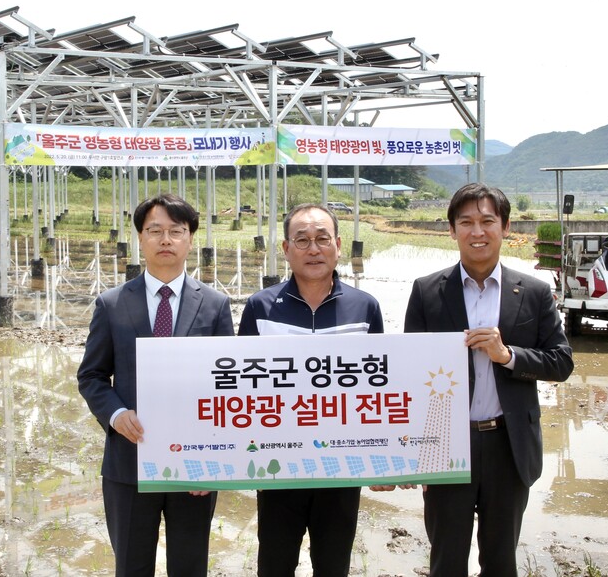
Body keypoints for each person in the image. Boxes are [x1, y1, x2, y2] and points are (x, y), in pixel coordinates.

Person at [404, 183, 574, 577]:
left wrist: (508, 355)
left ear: (506, 227)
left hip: (508, 446)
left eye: (487, 221)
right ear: (452, 230)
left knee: (500, 561)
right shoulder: (427, 291)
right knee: (446, 561)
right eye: (466, 222)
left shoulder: (532, 291)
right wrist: (419, 457)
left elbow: (561, 361)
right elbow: (411, 376)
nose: (477, 232)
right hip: (447, 444)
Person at [77, 193, 234, 577]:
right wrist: (115, 414)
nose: (166, 240)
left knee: (190, 564)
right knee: (131, 566)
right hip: (128, 463)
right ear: (141, 239)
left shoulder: (214, 304)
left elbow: (227, 387)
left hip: (193, 466)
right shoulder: (112, 304)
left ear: (190, 239)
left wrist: (212, 462)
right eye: (155, 231)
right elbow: (92, 375)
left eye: (176, 231)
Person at [237, 202, 384, 577]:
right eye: (302, 240)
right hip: (277, 465)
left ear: (338, 244)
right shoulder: (260, 307)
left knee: (334, 565)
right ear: (286, 250)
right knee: (274, 563)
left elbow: (380, 387)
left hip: (341, 468)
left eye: (322, 239)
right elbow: (240, 387)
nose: (313, 249)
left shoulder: (365, 307)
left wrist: (383, 454)